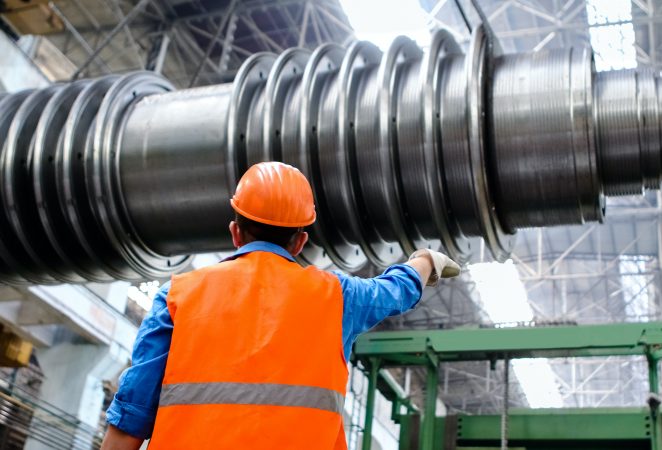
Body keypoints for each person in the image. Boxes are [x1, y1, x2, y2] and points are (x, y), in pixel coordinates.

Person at [100, 161, 460, 450]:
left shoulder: (178, 295)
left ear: (235, 232)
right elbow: (395, 290)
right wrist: (425, 261)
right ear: (300, 241)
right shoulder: (338, 296)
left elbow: (131, 417)